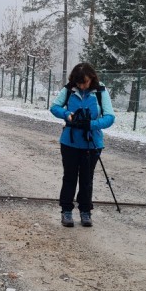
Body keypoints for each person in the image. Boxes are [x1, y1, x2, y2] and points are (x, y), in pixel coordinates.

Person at [49, 62, 115, 228]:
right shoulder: (69, 89)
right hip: (70, 142)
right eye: (78, 83)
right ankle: (66, 211)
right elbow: (54, 107)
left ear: (91, 77)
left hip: (92, 143)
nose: (82, 85)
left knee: (87, 179)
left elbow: (110, 117)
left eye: (84, 82)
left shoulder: (100, 91)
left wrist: (91, 124)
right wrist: (67, 114)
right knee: (69, 177)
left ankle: (85, 211)